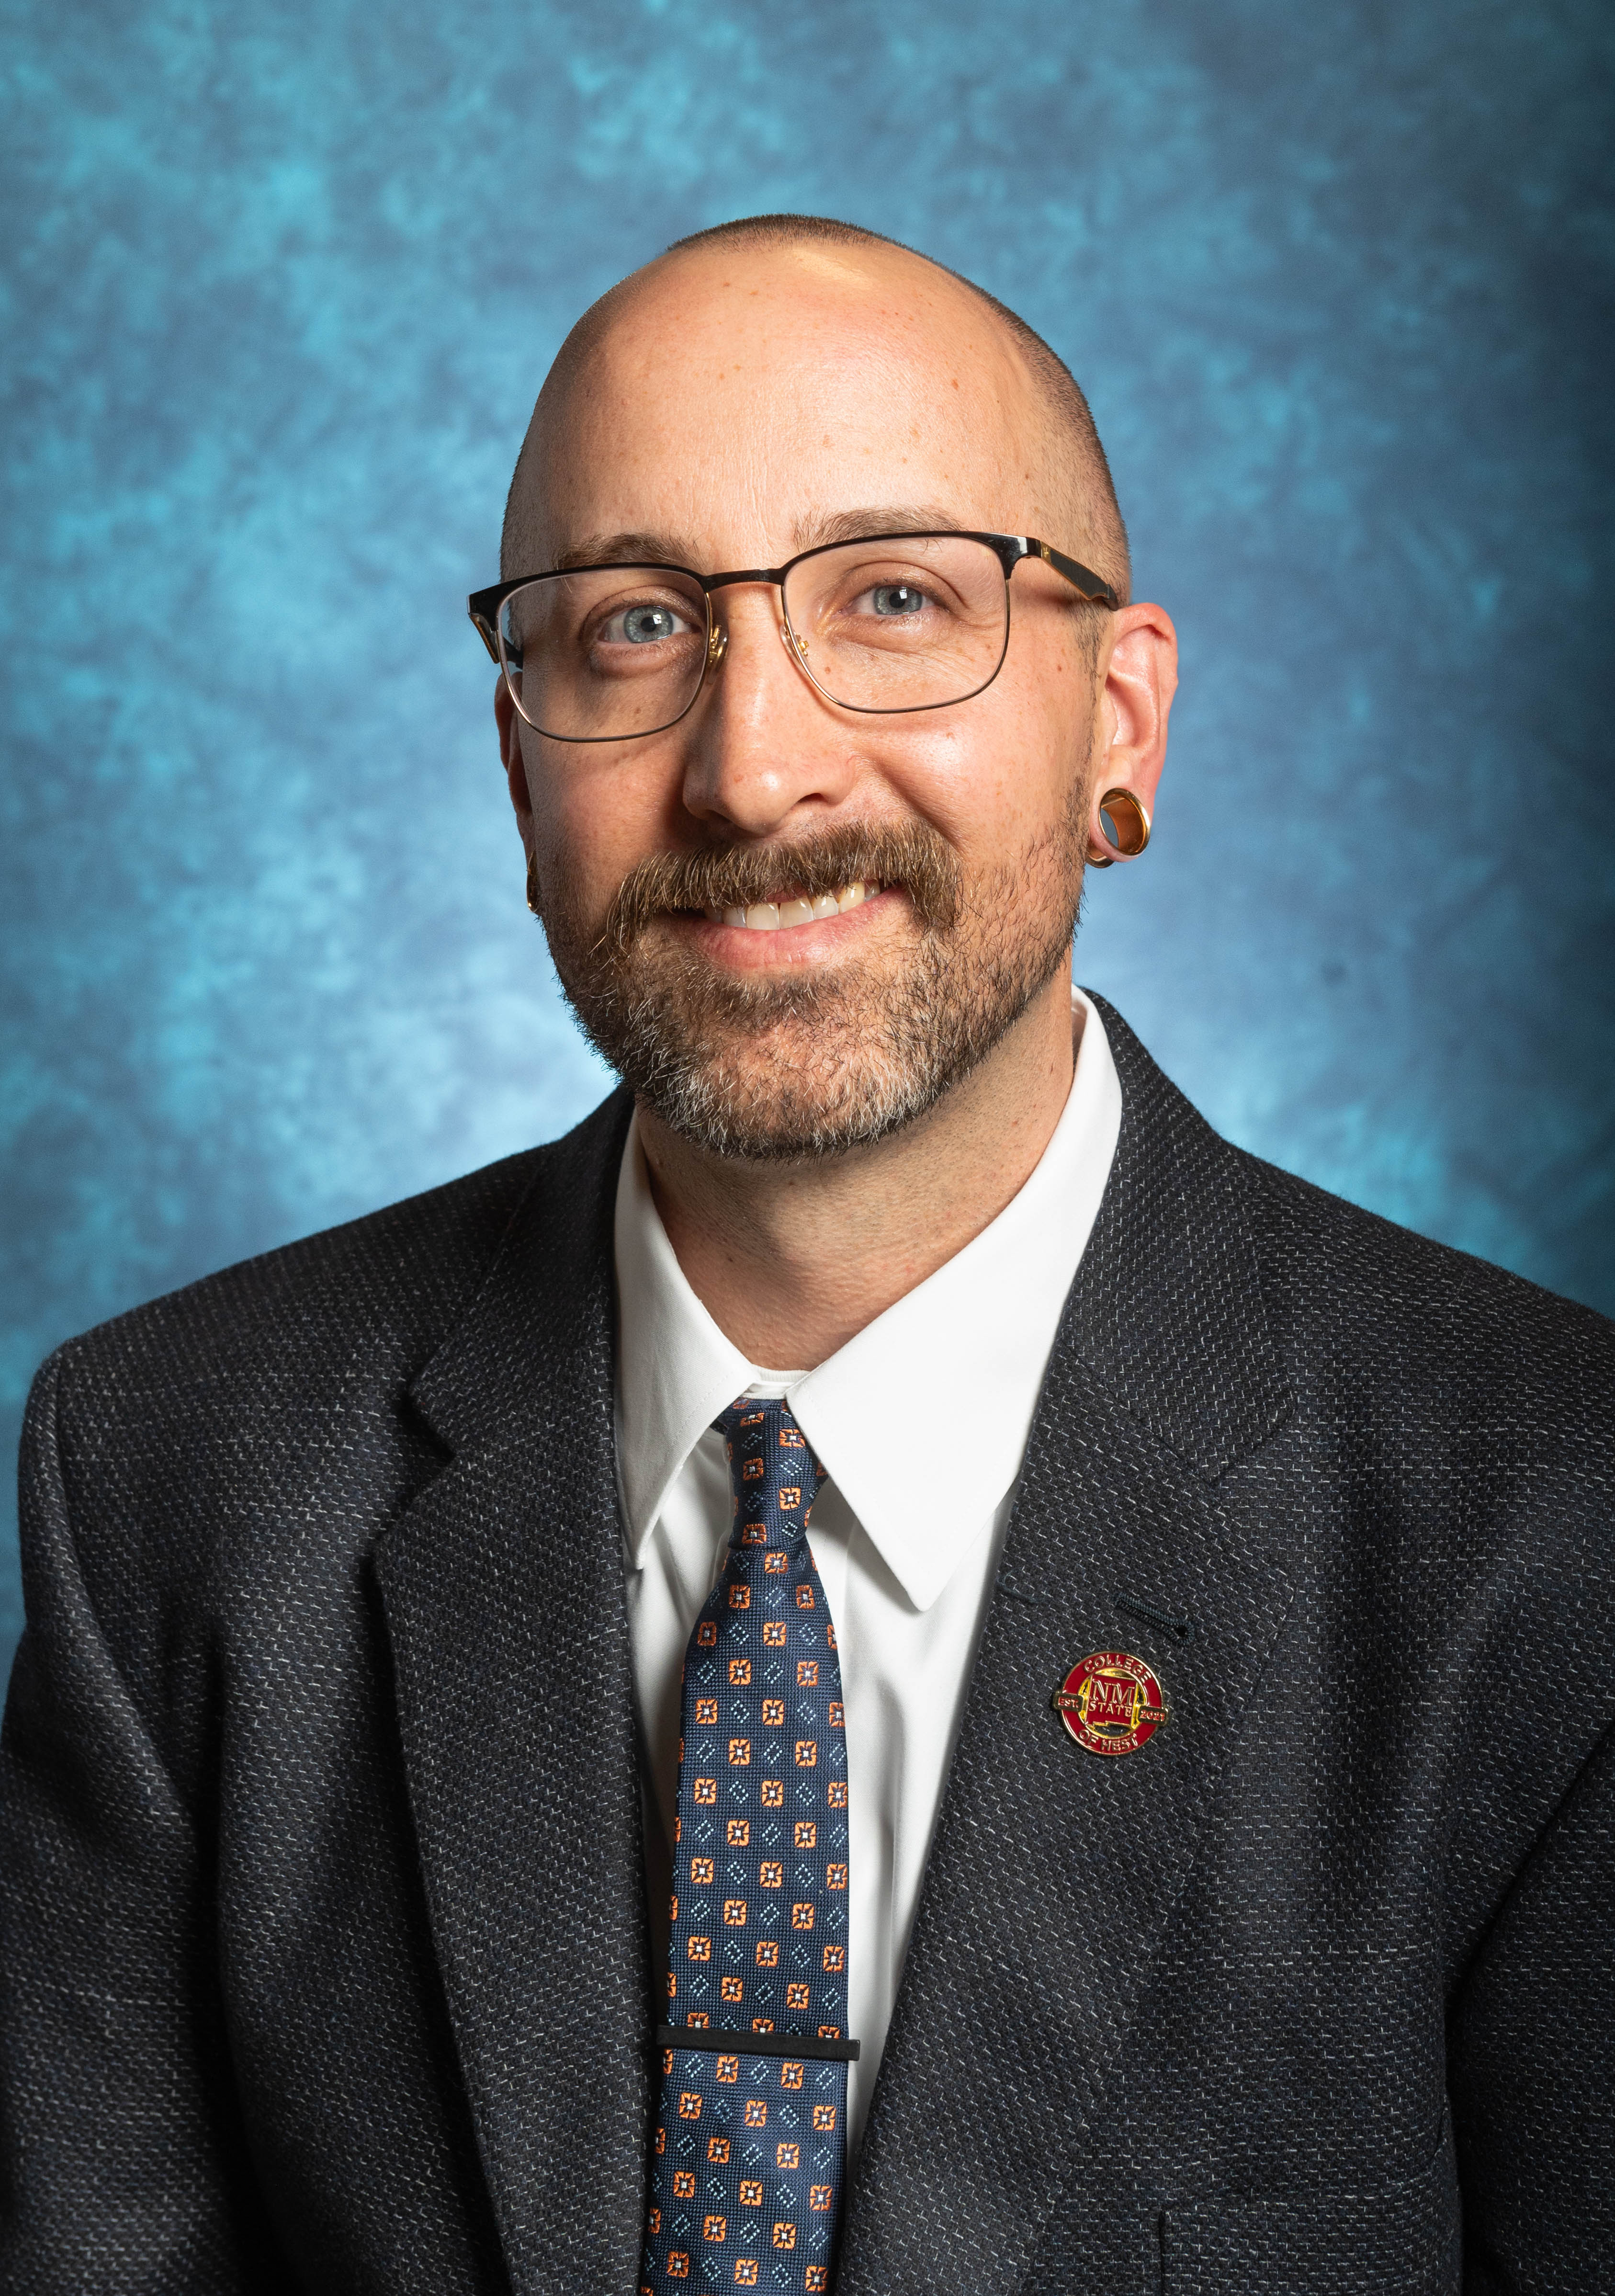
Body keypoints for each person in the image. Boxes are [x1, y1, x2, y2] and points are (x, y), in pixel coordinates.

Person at [0, 214, 1609, 2296]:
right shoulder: (169, 1479)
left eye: (900, 597)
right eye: (636, 624)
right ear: (515, 758)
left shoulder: (1552, 1525)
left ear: (1119, 725)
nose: (755, 766)